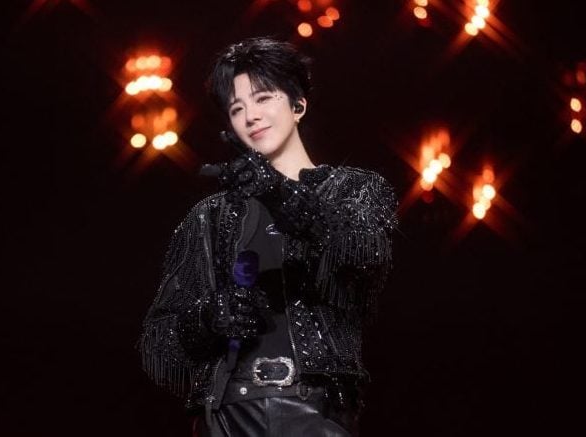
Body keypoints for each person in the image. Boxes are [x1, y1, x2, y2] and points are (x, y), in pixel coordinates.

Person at [137, 36, 398, 436]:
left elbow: (362, 255)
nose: (251, 116)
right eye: (236, 108)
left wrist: (278, 192)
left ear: (298, 105)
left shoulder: (355, 189)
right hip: (227, 416)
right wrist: (206, 319)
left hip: (316, 412)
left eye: (263, 98)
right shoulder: (208, 217)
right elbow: (157, 347)